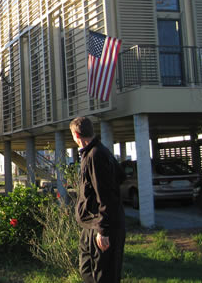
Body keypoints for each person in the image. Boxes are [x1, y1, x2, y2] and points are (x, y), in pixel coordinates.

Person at [70, 116, 126, 283]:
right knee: (87, 271)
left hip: (102, 228)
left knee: (104, 276)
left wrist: (103, 230)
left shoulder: (96, 155)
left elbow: (107, 195)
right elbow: (120, 176)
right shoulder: (94, 152)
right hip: (90, 225)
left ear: (76, 135)